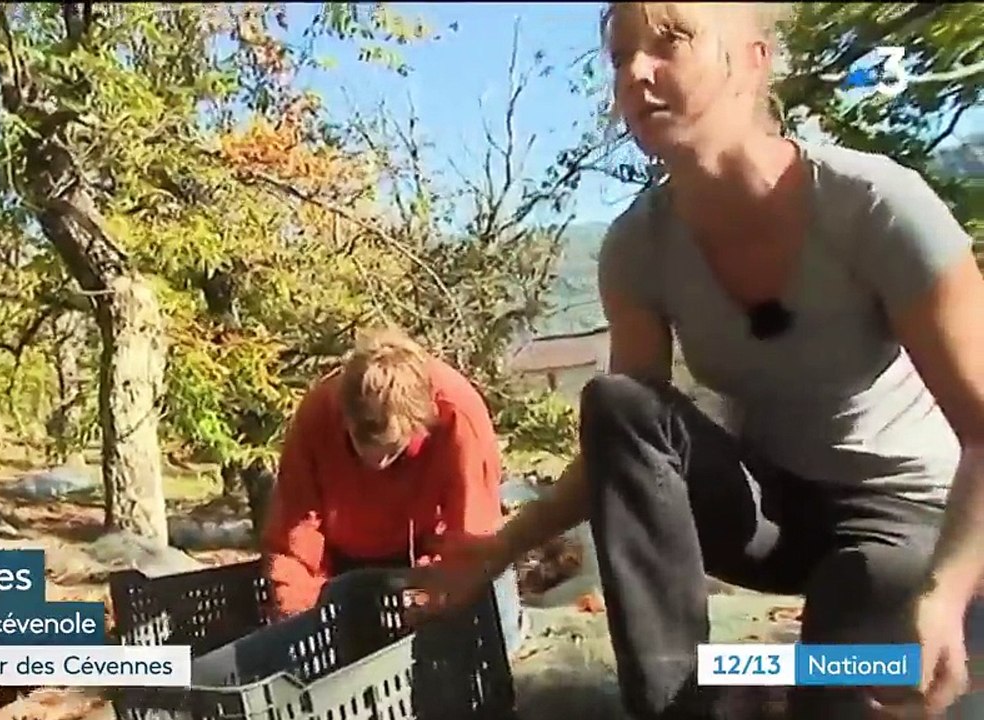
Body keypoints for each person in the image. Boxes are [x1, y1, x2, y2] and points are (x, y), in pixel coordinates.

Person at [408, 2, 984, 718]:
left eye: (671, 40)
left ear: (753, 60)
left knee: (841, 684)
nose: (635, 74)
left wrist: (947, 594)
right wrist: (499, 547)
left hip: (906, 521)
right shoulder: (637, 248)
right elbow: (625, 448)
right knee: (618, 400)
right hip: (770, 512)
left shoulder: (877, 206)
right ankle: (675, 700)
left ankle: (778, 678)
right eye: (620, 57)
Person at [261, 326, 526, 656]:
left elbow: (473, 538)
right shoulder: (317, 414)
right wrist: (298, 623)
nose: (377, 461)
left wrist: (434, 598)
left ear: (419, 425)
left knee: (490, 610)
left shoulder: (459, 415)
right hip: (347, 566)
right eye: (360, 445)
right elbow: (294, 537)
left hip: (432, 556)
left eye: (391, 450)